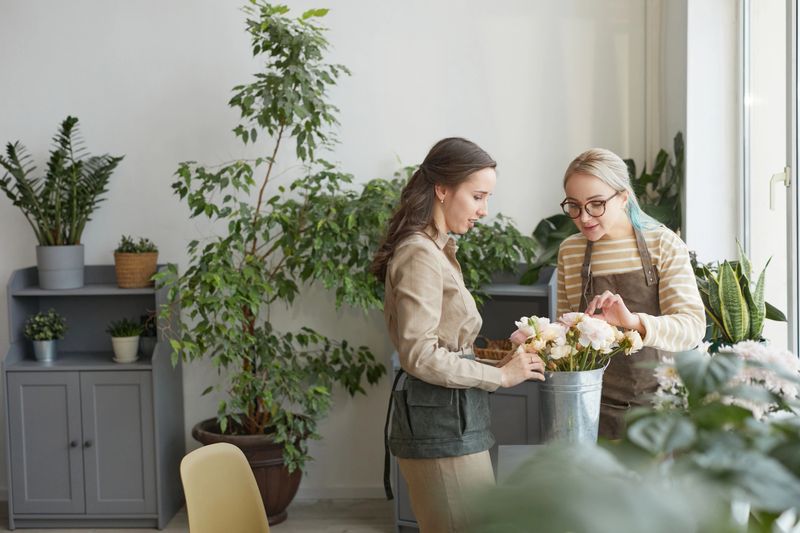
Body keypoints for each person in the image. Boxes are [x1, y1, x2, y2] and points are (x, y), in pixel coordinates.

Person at [372, 137, 544, 532]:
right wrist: (500, 376)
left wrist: (501, 357)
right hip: (440, 425)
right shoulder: (419, 253)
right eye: (478, 196)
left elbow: (450, 345)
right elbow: (419, 355)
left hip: (456, 419)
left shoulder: (438, 249)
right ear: (442, 189)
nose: (484, 210)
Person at [556, 147, 705, 439]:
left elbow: (692, 327)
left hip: (660, 409)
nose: (584, 218)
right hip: (593, 407)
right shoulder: (571, 252)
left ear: (623, 197)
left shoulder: (663, 243)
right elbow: (566, 337)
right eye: (574, 205)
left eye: (596, 204)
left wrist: (633, 321)